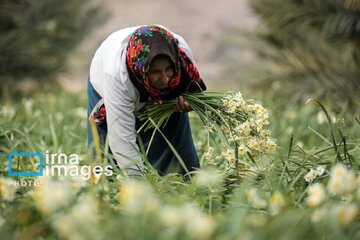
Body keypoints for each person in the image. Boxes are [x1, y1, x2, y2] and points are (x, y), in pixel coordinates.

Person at [87, 24, 206, 176]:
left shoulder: (180, 53)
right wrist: (141, 190)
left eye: (169, 68)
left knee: (178, 146)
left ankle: (188, 183)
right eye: (156, 71)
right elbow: (122, 141)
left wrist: (190, 103)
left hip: (162, 93)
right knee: (105, 156)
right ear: (141, 68)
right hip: (105, 84)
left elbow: (192, 90)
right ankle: (106, 192)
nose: (165, 78)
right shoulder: (117, 76)